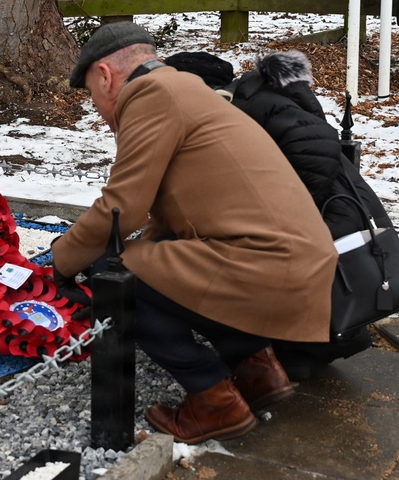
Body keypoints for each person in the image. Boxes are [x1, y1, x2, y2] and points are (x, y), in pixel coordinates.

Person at [53, 21, 339, 445]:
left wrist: (59, 262)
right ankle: (258, 371)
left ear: (104, 75)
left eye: (92, 96)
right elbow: (174, 218)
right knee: (156, 261)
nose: (97, 109)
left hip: (268, 265)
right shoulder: (184, 87)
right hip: (295, 262)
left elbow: (121, 208)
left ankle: (213, 399)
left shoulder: (150, 95)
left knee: (114, 274)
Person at [165, 49, 394, 379]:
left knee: (321, 283)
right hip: (326, 209)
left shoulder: (248, 104)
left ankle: (324, 345)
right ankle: (321, 346)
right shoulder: (244, 103)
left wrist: (286, 212)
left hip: (327, 210)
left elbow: (317, 147)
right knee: (326, 284)